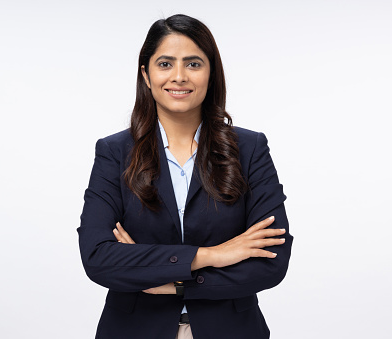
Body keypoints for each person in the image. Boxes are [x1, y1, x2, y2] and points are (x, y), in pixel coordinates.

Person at [78, 14, 293, 339]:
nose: (178, 76)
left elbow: (271, 259)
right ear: (146, 75)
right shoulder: (113, 152)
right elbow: (99, 257)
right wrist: (212, 255)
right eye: (165, 64)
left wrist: (168, 283)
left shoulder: (250, 149)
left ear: (211, 74)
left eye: (193, 64)